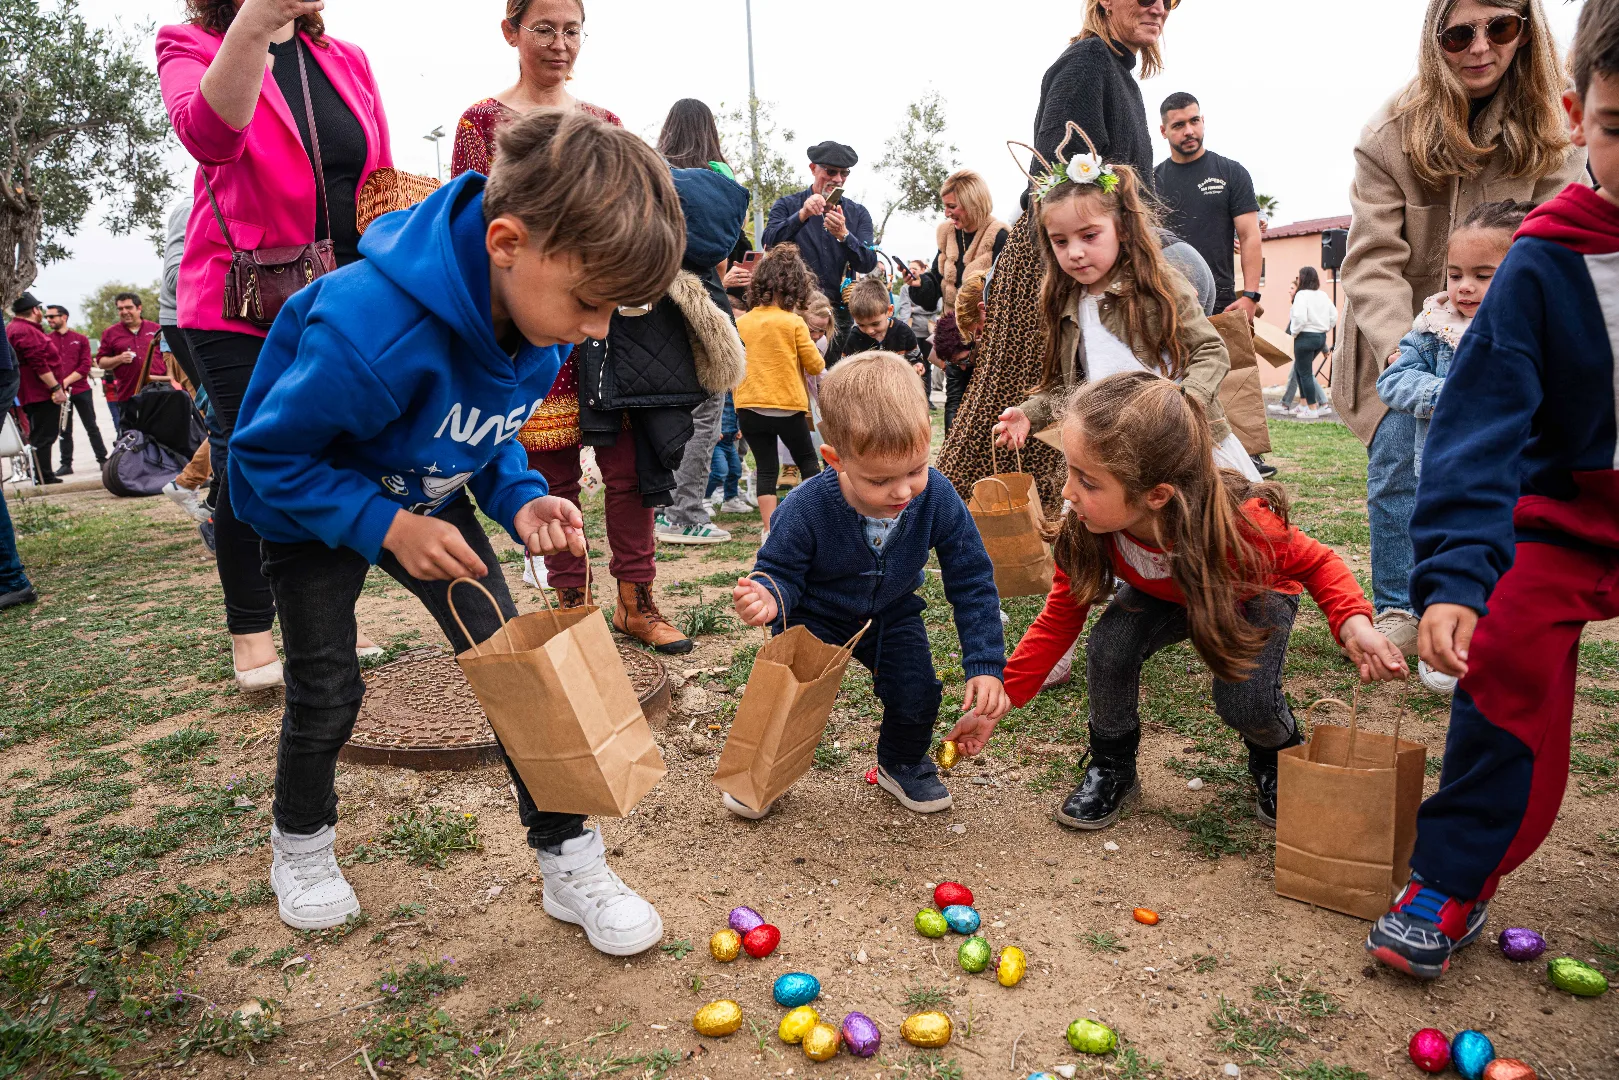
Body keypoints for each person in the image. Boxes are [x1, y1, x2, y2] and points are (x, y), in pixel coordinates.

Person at [228, 108, 683, 947]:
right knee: (327, 688)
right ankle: (301, 843)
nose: (596, 329)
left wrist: (517, 501)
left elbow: (490, 427)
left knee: (522, 674)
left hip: (431, 502)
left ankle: (567, 856)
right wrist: (385, 525)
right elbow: (266, 460)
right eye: (590, 302)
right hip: (310, 507)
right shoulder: (367, 326)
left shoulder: (541, 322)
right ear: (506, 242)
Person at [1367, 0, 1619, 981]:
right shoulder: (1542, 260)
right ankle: (1452, 871)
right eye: (1615, 128)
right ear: (1572, 115)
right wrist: (1454, 580)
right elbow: (1475, 434)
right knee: (1501, 661)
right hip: (1556, 518)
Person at [957, 373, 1404, 830]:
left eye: (1088, 481)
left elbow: (1317, 562)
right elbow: (1058, 619)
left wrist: (1353, 622)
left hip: (1249, 593)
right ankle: (1112, 764)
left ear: (1157, 496)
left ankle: (1278, 755)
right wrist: (1005, 695)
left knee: (1243, 699)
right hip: (1163, 595)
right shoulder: (1091, 528)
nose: (1069, 492)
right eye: (1070, 472)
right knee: (1109, 646)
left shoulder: (1244, 528)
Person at [1332, 0, 1585, 660]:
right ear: (1432, 41)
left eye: (1499, 27)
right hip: (1403, 344)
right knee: (1397, 471)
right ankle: (1395, 603)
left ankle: (1478, 602)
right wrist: (1404, 350)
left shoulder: (1555, 122)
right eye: (1457, 34)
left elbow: (1554, 244)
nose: (1480, 47)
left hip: (1508, 338)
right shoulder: (1387, 131)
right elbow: (1371, 260)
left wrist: (1508, 350)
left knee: (1507, 473)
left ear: (1524, 30)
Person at [158, 0, 393, 691]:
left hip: (344, 295)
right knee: (250, 456)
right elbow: (211, 137)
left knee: (329, 455)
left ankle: (322, 619)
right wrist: (255, 24)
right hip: (240, 300)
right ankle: (251, 630)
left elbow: (377, 182)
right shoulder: (190, 43)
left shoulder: (346, 59)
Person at [731, 352, 1008, 818]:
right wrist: (766, 596)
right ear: (835, 459)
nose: (902, 492)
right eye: (880, 480)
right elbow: (779, 570)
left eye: (915, 470)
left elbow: (971, 577)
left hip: (891, 611)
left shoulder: (937, 496)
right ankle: (762, 769)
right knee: (789, 694)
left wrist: (985, 661)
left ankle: (900, 762)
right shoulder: (805, 507)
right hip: (814, 613)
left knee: (917, 691)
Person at [936, 0, 1175, 512]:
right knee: (1016, 403)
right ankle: (947, 517)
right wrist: (1089, 252)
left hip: (1097, 252)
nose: (1159, 5)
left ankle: (1069, 522)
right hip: (1056, 257)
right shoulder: (1086, 62)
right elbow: (1060, 178)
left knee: (1083, 398)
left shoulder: (1117, 71)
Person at [988, 151, 1258, 482]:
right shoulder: (1066, 304)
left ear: (1123, 230)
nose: (1074, 252)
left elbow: (1210, 351)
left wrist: (1185, 406)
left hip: (1183, 447)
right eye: (1061, 241)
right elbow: (1072, 387)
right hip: (1116, 457)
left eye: (1089, 236)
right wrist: (1029, 414)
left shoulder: (1158, 284)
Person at [1378, 200, 1530, 699]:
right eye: (1456, 273)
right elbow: (1394, 379)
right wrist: (1453, 395)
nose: (1465, 287)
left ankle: (1491, 642)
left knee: (1507, 566)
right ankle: (1440, 641)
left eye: (1484, 275)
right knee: (1442, 554)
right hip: (1442, 475)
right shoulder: (1433, 329)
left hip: (1515, 478)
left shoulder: (1534, 330)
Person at [654, 98, 740, 546]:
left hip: (658, 301)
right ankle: (687, 512)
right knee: (706, 414)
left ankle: (659, 509)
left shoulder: (654, 171)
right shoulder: (721, 178)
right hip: (704, 305)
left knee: (661, 412)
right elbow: (721, 256)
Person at [449, 0, 618, 177]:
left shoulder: (606, 124)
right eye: (544, 30)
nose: (559, 45)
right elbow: (467, 202)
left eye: (571, 32)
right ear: (510, 32)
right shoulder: (480, 121)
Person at [733, 245, 826, 540]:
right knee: (809, 463)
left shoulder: (742, 322)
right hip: (788, 407)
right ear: (796, 287)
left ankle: (770, 530)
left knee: (766, 469)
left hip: (748, 407)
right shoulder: (794, 322)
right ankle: (817, 521)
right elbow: (815, 364)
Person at [1154, 93, 1264, 319]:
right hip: (1167, 302)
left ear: (1203, 121)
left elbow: (1249, 235)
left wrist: (1251, 296)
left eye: (1194, 121)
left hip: (1222, 303)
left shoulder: (1232, 172)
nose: (1189, 131)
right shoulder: (1152, 181)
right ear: (1163, 132)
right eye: (1178, 125)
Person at [761, 141, 878, 334]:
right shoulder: (787, 205)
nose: (838, 179)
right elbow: (768, 243)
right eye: (831, 172)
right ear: (813, 168)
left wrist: (844, 235)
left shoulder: (858, 213)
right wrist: (802, 215)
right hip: (794, 307)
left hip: (837, 314)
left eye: (844, 173)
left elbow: (867, 263)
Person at [907, 170, 1011, 328]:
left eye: (952, 206)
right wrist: (920, 284)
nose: (946, 213)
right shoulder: (947, 234)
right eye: (945, 206)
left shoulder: (1000, 237)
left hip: (985, 334)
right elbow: (936, 281)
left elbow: (1006, 294)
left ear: (972, 203)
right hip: (951, 333)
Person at [6, 294, 69, 486]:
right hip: (39, 392)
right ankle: (44, 476)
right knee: (44, 434)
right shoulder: (25, 330)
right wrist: (56, 388)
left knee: (40, 433)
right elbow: (39, 363)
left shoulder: (15, 328)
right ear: (35, 310)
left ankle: (43, 474)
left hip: (31, 390)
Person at [44, 305, 107, 476]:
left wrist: (65, 382)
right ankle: (66, 464)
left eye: (52, 316)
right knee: (64, 428)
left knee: (91, 426)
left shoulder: (80, 339)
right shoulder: (47, 339)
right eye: (47, 316)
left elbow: (85, 364)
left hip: (80, 390)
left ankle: (102, 459)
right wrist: (57, 386)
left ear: (64, 317)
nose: (48, 319)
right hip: (60, 393)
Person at [825, 279, 925, 383]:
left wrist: (917, 365)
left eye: (875, 324)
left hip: (898, 389)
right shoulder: (854, 337)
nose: (869, 331)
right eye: (861, 325)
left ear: (889, 311)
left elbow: (915, 357)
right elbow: (844, 367)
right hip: (866, 392)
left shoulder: (903, 331)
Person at [94, 293, 163, 438]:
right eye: (120, 309)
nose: (124, 312)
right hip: (129, 395)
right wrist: (118, 359)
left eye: (129, 307)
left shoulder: (157, 329)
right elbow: (101, 362)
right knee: (131, 436)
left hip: (159, 393)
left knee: (160, 435)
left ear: (139, 308)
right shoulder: (110, 333)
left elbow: (169, 357)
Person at [1285, 268, 1337, 418]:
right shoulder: (1323, 295)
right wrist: (1325, 328)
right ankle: (1304, 406)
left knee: (1305, 373)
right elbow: (1333, 315)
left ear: (1303, 279)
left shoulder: (1301, 295)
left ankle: (1312, 408)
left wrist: (1294, 333)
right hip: (1320, 337)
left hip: (1304, 337)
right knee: (1300, 370)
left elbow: (1299, 318)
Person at [705, 391, 747, 514]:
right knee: (720, 471)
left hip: (731, 440)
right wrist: (714, 431)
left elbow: (737, 412)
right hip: (718, 442)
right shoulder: (714, 392)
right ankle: (704, 499)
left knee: (735, 470)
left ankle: (730, 499)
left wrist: (739, 428)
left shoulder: (735, 393)